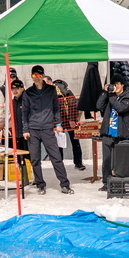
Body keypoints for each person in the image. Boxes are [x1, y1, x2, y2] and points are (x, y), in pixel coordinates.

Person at [23, 67, 73, 195]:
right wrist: (26, 129)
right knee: (35, 159)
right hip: (33, 129)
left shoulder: (51, 90)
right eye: (34, 74)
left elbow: (56, 107)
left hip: (47, 128)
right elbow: (25, 112)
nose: (37, 77)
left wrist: (58, 123)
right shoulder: (28, 92)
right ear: (31, 76)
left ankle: (65, 184)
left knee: (56, 157)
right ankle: (40, 184)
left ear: (43, 75)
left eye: (39, 74)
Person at [96, 75, 129, 185]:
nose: (115, 86)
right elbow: (98, 106)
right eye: (113, 84)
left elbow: (121, 108)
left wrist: (111, 97)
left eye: (117, 84)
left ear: (122, 85)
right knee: (107, 160)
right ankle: (106, 183)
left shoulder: (128, 98)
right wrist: (104, 93)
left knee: (120, 160)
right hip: (108, 133)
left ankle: (120, 181)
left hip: (121, 134)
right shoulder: (109, 96)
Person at [53, 74, 85, 171]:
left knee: (65, 142)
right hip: (61, 120)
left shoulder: (58, 90)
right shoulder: (66, 90)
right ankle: (77, 163)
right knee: (72, 142)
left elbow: (73, 104)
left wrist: (72, 119)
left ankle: (67, 163)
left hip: (64, 120)